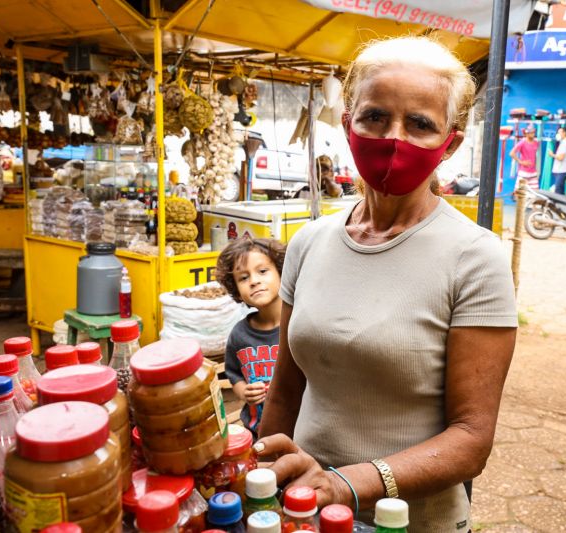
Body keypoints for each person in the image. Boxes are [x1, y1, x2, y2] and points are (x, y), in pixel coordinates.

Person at [255, 36, 518, 532]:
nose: (393, 138)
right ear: (347, 120)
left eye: (420, 124)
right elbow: (285, 392)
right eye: (375, 116)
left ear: (450, 143)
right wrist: (264, 480)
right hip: (303, 511)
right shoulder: (310, 242)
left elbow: (471, 439)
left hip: (410, 521)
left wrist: (347, 485)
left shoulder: (474, 257)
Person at [215, 236, 286, 440]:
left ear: (282, 272)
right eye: (243, 278)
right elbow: (234, 374)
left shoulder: (298, 327)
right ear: (236, 290)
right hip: (256, 433)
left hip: (298, 433)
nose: (254, 281)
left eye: (262, 271)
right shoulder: (239, 335)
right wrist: (244, 391)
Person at [549, 126, 566, 194]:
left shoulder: (565, 143)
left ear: (564, 133)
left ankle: (559, 204)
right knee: (559, 189)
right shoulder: (563, 142)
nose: (558, 134)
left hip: (562, 170)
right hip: (559, 170)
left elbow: (561, 157)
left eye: (559, 132)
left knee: (558, 189)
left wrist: (552, 154)